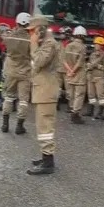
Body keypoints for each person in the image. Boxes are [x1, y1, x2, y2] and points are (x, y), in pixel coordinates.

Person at [26, 16, 59, 175]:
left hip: (46, 91)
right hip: (42, 90)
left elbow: (39, 62)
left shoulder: (49, 45)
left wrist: (33, 44)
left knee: (46, 127)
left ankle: (48, 163)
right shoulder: (44, 45)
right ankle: (46, 157)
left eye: (32, 31)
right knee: (42, 126)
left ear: (40, 30)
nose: (30, 34)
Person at [1, 12, 32, 135]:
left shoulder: (9, 36)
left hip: (11, 70)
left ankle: (5, 124)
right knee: (23, 100)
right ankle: (20, 126)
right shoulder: (30, 39)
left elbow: (4, 46)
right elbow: (33, 54)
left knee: (9, 97)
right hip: (24, 71)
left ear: (17, 22)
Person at [64, 26, 88, 124]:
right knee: (79, 95)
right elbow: (80, 62)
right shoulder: (82, 47)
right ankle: (75, 114)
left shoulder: (68, 45)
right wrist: (73, 71)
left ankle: (72, 109)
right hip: (79, 75)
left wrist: (69, 71)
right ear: (82, 36)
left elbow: (64, 60)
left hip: (69, 75)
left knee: (72, 94)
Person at [84, 36, 104, 119]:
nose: (96, 45)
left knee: (100, 96)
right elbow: (88, 63)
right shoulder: (92, 54)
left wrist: (98, 66)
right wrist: (88, 65)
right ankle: (90, 111)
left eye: (98, 44)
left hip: (99, 78)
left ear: (101, 45)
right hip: (91, 77)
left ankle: (100, 112)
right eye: (95, 44)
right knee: (91, 95)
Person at [56, 26, 73, 111]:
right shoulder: (58, 44)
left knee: (69, 88)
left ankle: (70, 105)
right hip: (58, 69)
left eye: (62, 34)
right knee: (57, 88)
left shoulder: (71, 45)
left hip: (67, 70)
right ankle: (57, 103)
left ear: (67, 34)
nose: (60, 35)